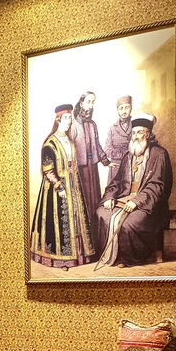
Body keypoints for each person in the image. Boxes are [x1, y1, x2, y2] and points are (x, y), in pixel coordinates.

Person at [95, 113, 174, 269]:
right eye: (134, 133)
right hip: (125, 198)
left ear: (148, 134)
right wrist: (110, 197)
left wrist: (137, 201)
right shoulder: (128, 155)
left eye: (140, 132)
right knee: (102, 213)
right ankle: (109, 255)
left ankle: (127, 258)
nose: (136, 136)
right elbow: (116, 181)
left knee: (129, 222)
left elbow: (157, 186)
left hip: (150, 204)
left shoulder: (159, 154)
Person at [29, 104, 95, 270]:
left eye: (70, 118)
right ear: (58, 120)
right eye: (65, 118)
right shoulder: (50, 144)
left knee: (77, 220)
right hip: (55, 190)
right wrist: (59, 188)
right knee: (58, 221)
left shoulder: (70, 141)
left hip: (74, 186)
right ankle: (61, 260)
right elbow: (48, 170)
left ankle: (79, 257)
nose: (68, 122)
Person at [70, 91, 108, 249]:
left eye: (93, 102)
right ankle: (83, 246)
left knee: (94, 203)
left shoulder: (93, 124)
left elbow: (97, 145)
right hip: (80, 170)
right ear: (81, 103)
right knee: (82, 204)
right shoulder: (73, 124)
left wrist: (106, 161)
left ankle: (95, 244)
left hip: (93, 169)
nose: (91, 105)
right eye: (88, 101)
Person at [103, 95, 133, 185]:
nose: (124, 111)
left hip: (132, 166)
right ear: (117, 110)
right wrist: (126, 153)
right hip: (116, 168)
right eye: (121, 108)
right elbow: (107, 150)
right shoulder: (112, 128)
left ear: (131, 108)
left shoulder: (136, 125)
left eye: (127, 107)